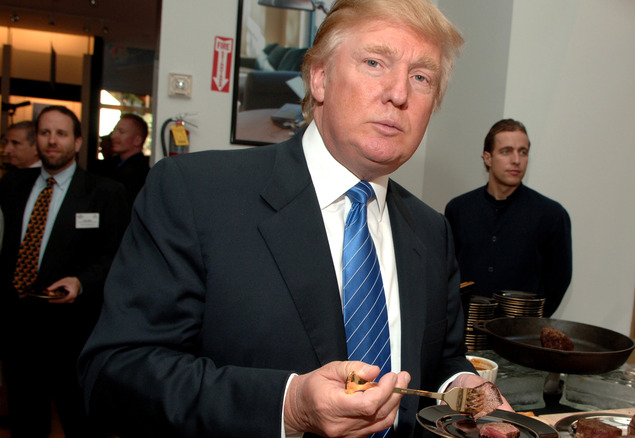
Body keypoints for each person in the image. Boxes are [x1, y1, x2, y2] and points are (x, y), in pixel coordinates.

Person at [78, 0, 510, 437]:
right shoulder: (195, 194)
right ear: (319, 78)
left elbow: (440, 361)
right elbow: (115, 375)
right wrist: (287, 406)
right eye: (375, 62)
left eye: (421, 77)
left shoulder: (431, 231)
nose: (399, 93)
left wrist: (465, 388)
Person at [0, 106, 130, 437]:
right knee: (25, 417)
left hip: (72, 332)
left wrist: (81, 282)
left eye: (61, 134)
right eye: (45, 133)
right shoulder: (12, 185)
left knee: (79, 420)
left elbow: (116, 255)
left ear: (77, 142)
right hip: (19, 327)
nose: (52, 141)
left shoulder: (105, 193)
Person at [445, 119, 572, 317]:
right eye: (506, 151)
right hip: (465, 329)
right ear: (488, 158)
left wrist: (529, 324)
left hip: (519, 336)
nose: (516, 160)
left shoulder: (551, 215)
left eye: (523, 152)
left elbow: (558, 281)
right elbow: (447, 273)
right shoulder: (459, 209)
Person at [100, 113, 150, 204]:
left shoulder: (140, 173)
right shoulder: (114, 164)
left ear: (137, 140)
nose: (113, 136)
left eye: (121, 132)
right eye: (114, 131)